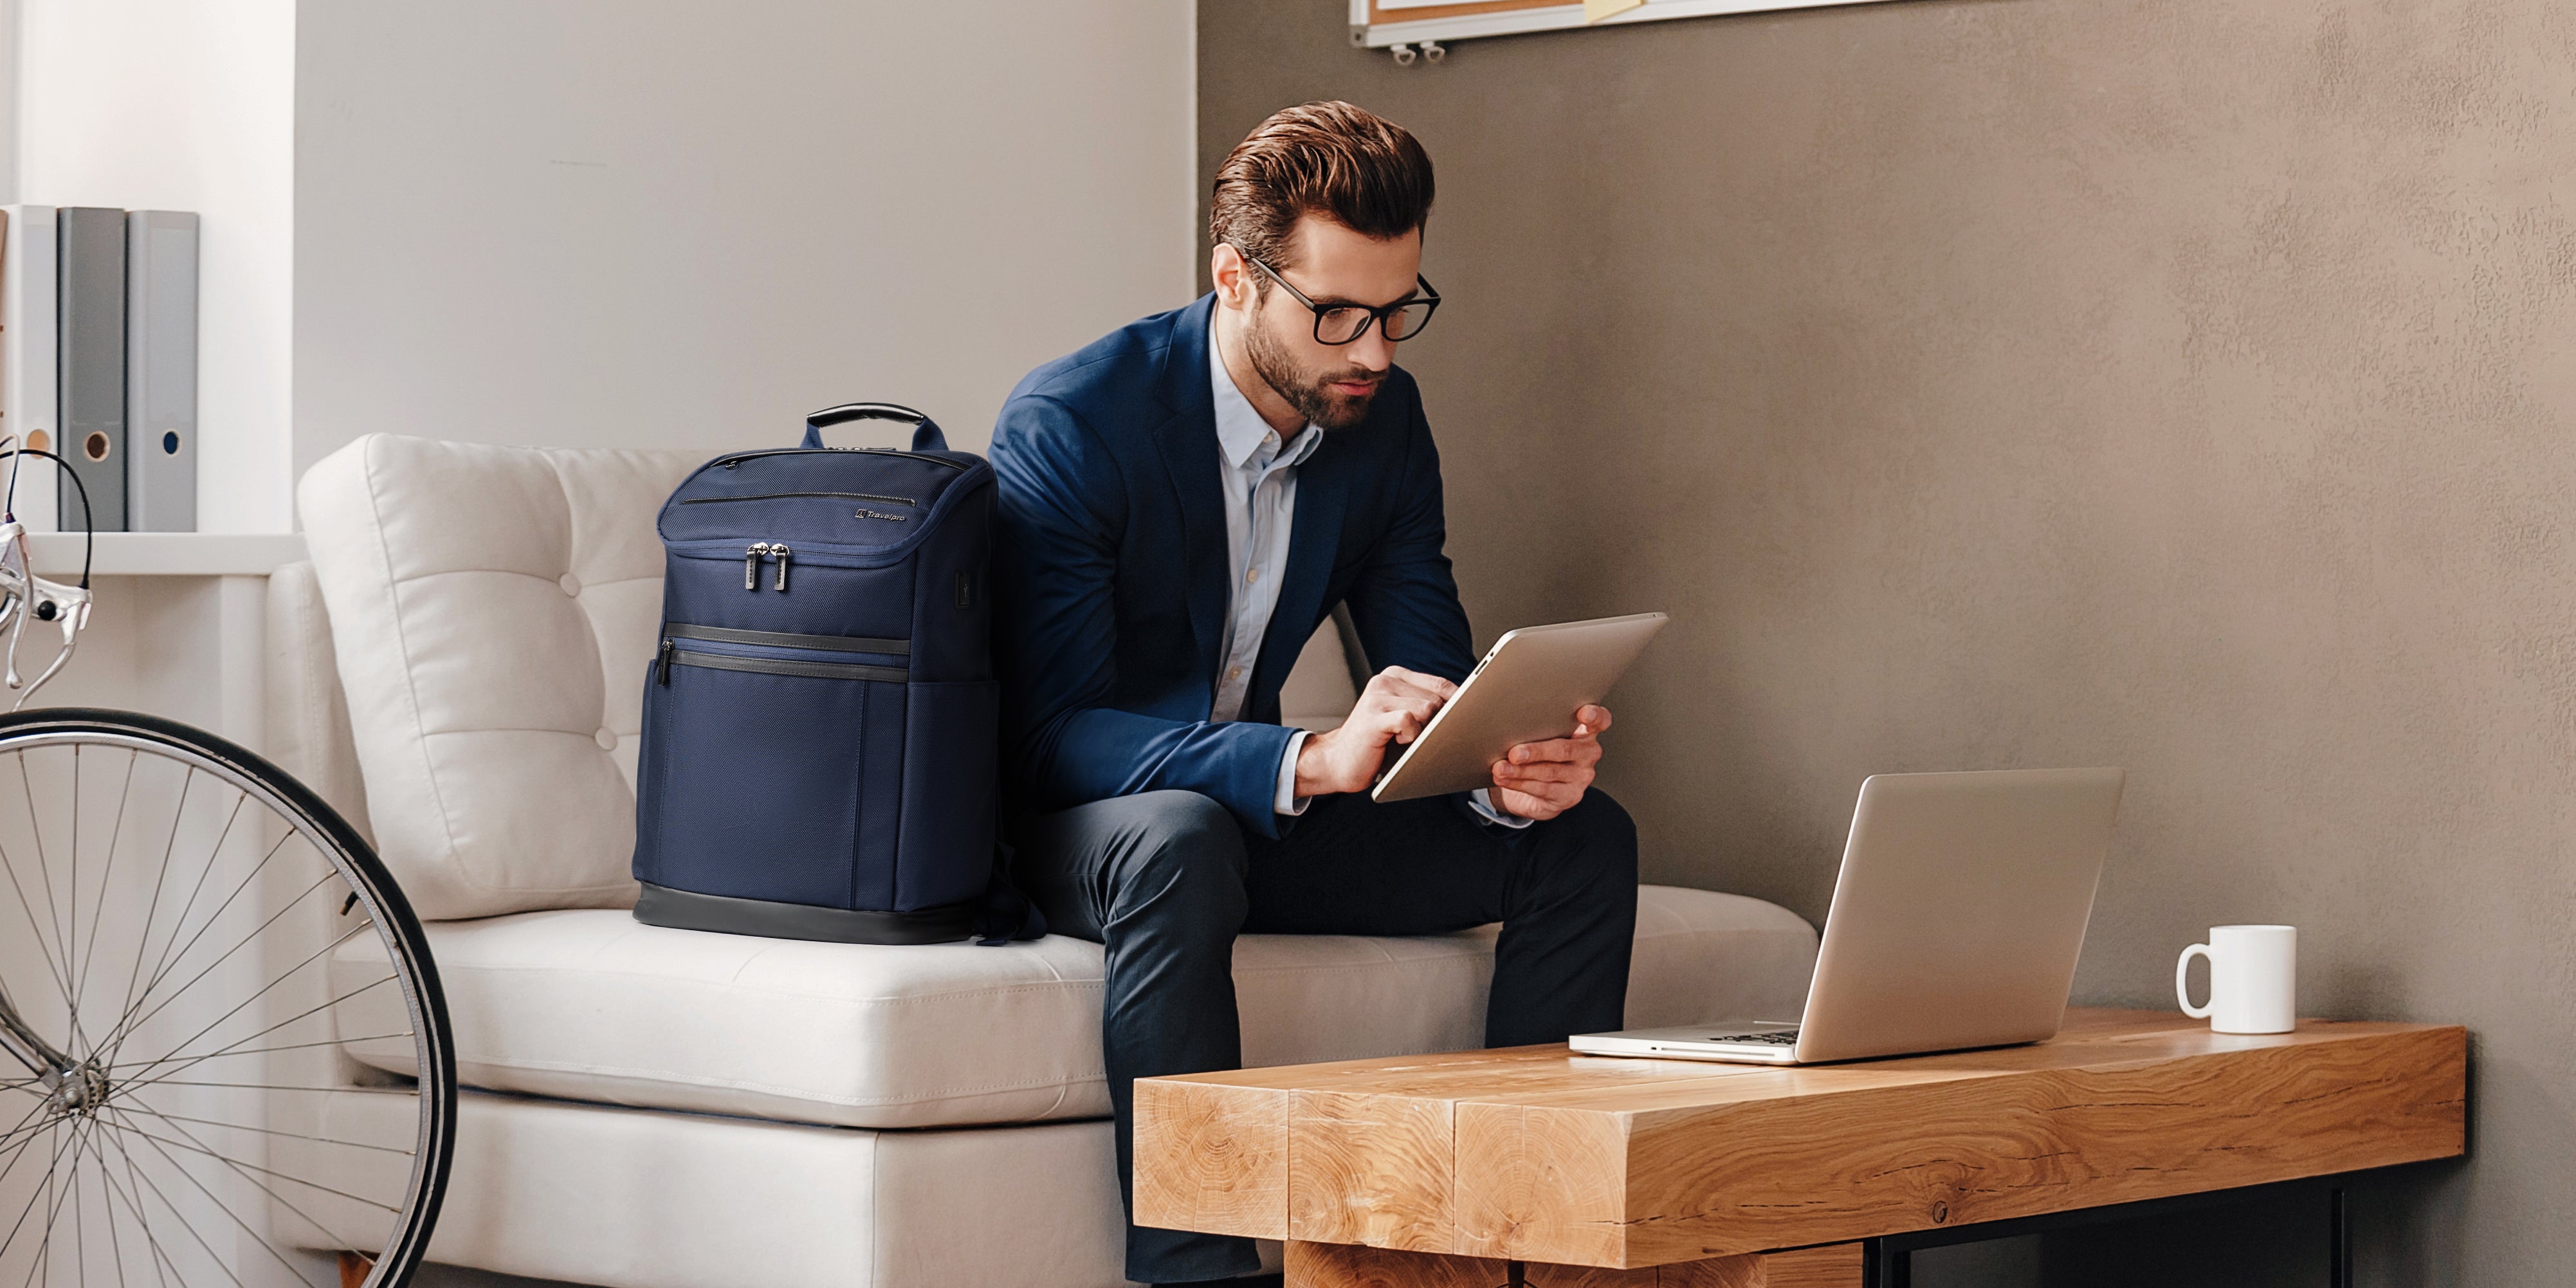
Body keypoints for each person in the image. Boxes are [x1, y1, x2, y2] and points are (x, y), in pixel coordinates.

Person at [990, 100, 1639, 1288]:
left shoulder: (1380, 424)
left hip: (1239, 822)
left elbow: (1429, 671)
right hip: (1078, 828)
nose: (1374, 351)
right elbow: (1047, 737)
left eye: (1397, 310)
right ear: (1235, 279)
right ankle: (1196, 1267)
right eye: (1336, 312)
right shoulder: (1076, 422)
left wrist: (1498, 765)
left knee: (1580, 837)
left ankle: (1526, 1253)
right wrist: (1306, 759)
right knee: (1178, 839)